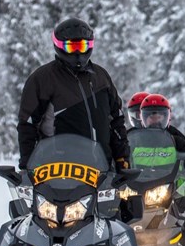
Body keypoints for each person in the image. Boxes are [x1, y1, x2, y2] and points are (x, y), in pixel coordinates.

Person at [17, 17, 130, 171]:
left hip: (103, 170)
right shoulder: (43, 79)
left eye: (82, 46)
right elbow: (27, 126)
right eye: (72, 47)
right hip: (58, 171)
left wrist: (122, 158)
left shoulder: (101, 77)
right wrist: (27, 166)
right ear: (59, 46)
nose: (78, 52)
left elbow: (116, 119)